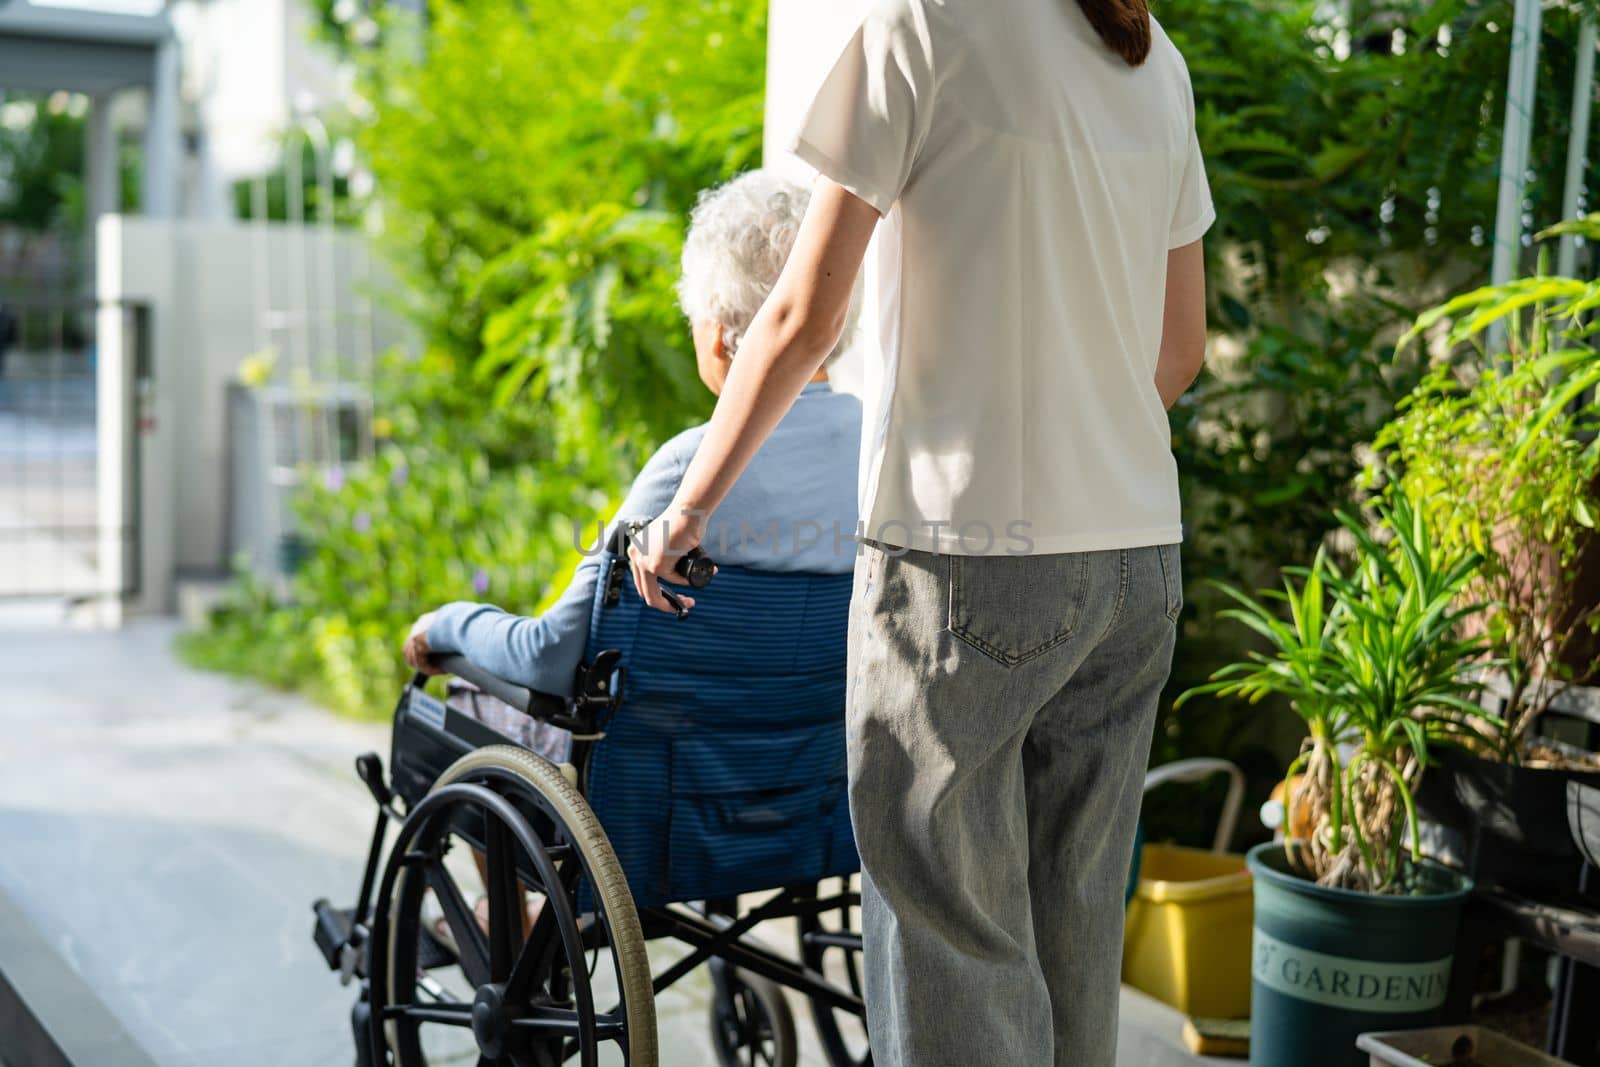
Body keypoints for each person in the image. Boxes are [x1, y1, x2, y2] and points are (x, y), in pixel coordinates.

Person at [628, 2, 1213, 1064]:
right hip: (1134, 559)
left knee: (951, 938)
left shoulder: (922, 25)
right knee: (1071, 926)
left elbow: (804, 316)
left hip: (965, 556)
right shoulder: (1150, 55)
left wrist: (688, 507)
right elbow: (1178, 350)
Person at [403, 167, 862, 743]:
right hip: (813, 785)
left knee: (462, 705)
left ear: (717, 334)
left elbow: (550, 657)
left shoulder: (691, 472)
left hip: (661, 792)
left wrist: (447, 623)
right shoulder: (881, 451)